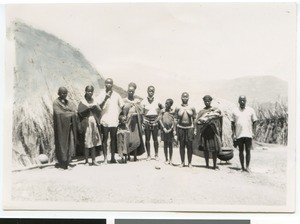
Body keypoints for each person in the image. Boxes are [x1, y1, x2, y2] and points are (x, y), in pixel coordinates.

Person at [97, 78, 124, 164]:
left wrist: (123, 115)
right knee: (104, 139)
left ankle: (112, 158)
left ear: (112, 85)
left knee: (113, 139)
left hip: (114, 120)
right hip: (105, 119)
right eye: (107, 83)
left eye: (110, 83)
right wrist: (105, 98)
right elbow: (98, 107)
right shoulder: (101, 94)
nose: (108, 85)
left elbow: (122, 105)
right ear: (105, 84)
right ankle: (105, 158)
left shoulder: (117, 95)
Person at [53, 87, 78, 170]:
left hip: (69, 127)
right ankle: (62, 163)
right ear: (58, 93)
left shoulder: (68, 102)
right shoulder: (56, 103)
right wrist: (69, 114)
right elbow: (59, 113)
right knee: (62, 144)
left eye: (65, 93)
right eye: (62, 93)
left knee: (69, 144)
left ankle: (67, 161)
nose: (64, 95)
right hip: (61, 128)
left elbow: (74, 112)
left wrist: (69, 113)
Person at [194, 95, 222, 170]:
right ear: (203, 101)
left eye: (208, 101)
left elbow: (219, 118)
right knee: (205, 148)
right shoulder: (202, 111)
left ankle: (214, 165)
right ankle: (207, 164)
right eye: (205, 101)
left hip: (213, 131)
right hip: (205, 131)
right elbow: (197, 121)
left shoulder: (214, 110)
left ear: (210, 101)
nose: (207, 102)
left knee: (215, 149)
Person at [231, 95, 258, 172]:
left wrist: (254, 131)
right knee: (241, 151)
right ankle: (242, 167)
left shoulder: (251, 110)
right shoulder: (235, 111)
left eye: (244, 100)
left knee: (248, 151)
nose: (242, 102)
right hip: (239, 134)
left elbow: (255, 121)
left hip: (248, 134)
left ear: (246, 101)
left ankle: (247, 167)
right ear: (238, 101)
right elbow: (232, 123)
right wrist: (233, 134)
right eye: (241, 100)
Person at [78, 85, 102, 166]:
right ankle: (86, 161)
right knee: (87, 141)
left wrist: (94, 107)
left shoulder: (94, 101)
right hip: (86, 123)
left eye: (91, 91)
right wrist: (88, 108)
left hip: (93, 122)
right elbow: (80, 112)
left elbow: (99, 111)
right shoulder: (83, 101)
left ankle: (94, 160)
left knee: (93, 141)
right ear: (85, 91)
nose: (90, 93)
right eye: (88, 91)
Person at [122, 82, 145, 161]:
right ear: (127, 91)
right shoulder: (124, 100)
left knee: (135, 139)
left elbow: (142, 111)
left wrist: (135, 113)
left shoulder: (137, 101)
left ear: (134, 92)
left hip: (135, 123)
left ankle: (135, 156)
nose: (130, 92)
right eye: (129, 91)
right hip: (127, 122)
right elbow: (122, 111)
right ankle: (127, 156)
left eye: (132, 91)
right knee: (128, 138)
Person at [174, 92, 196, 168]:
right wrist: (175, 131)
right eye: (183, 97)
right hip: (180, 128)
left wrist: (195, 129)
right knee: (182, 146)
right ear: (181, 97)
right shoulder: (177, 108)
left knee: (189, 146)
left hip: (189, 128)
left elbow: (194, 119)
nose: (185, 98)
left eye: (186, 97)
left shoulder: (192, 107)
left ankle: (190, 162)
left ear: (188, 98)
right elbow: (175, 120)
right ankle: (182, 162)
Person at [141, 86, 162, 161]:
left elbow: (161, 111)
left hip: (155, 121)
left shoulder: (157, 101)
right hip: (147, 120)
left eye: (152, 91)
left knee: (155, 139)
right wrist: (143, 122)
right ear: (147, 91)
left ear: (154, 92)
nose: (151, 92)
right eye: (150, 91)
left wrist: (158, 118)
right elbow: (142, 113)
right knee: (147, 139)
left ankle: (156, 155)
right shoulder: (143, 101)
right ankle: (148, 155)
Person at [159, 98, 176, 165]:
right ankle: (166, 159)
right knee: (165, 145)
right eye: (165, 103)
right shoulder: (162, 111)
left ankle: (170, 159)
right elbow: (160, 120)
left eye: (168, 104)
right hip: (164, 130)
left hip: (170, 130)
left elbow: (174, 121)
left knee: (170, 145)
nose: (166, 105)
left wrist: (172, 128)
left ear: (171, 105)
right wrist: (163, 128)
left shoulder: (172, 111)